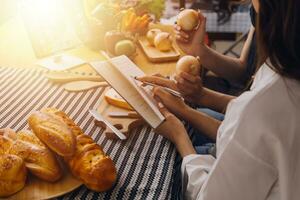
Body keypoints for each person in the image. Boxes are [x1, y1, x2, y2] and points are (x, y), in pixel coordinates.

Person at [140, 0, 300, 199]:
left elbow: (208, 195)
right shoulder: (282, 65)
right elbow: (244, 119)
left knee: (158, 158)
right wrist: (198, 97)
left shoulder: (268, 103)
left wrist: (178, 133)